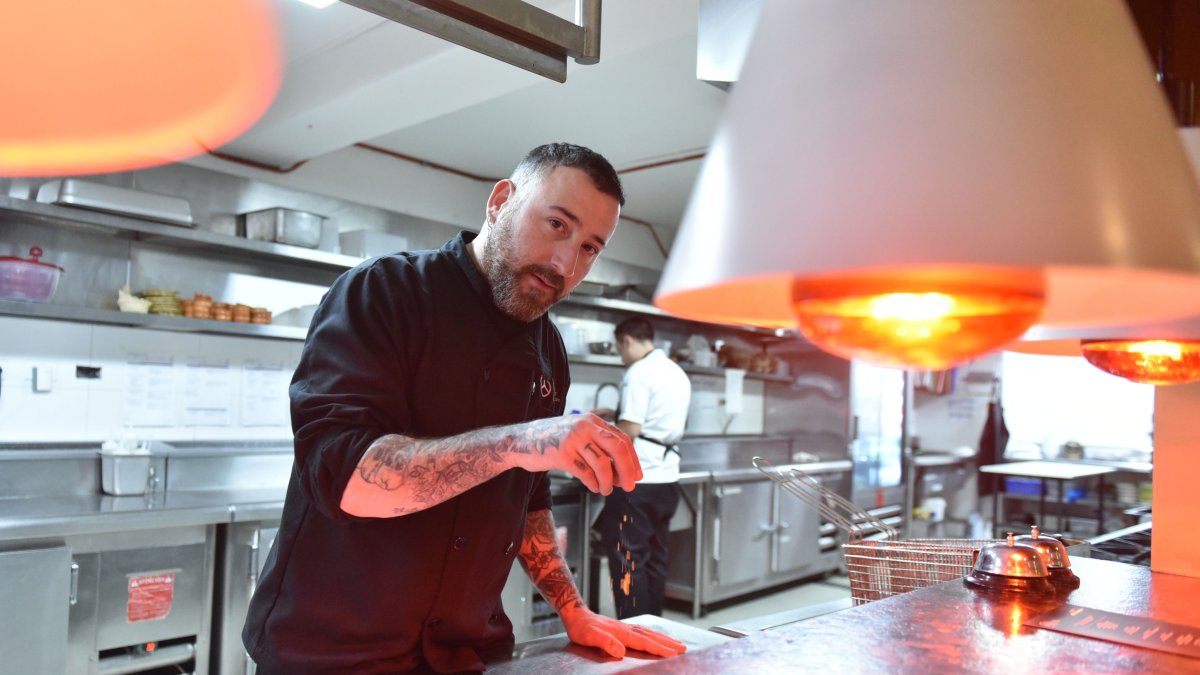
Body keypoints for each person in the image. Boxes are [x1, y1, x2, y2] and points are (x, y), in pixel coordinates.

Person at [242, 143, 687, 673]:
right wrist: (521, 442)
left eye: (590, 247)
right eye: (556, 225)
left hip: (463, 655)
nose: (566, 263)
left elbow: (529, 500)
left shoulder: (548, 350)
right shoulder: (384, 292)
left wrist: (573, 609)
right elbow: (349, 479)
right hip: (333, 654)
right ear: (501, 201)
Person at [594, 317, 692, 619]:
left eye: (619, 349)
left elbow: (632, 429)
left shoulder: (638, 372)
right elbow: (656, 420)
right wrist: (616, 413)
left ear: (627, 340)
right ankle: (653, 626)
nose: (621, 356)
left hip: (639, 480)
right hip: (667, 480)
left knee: (627, 558)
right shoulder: (676, 372)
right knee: (655, 557)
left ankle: (633, 630)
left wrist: (599, 435)